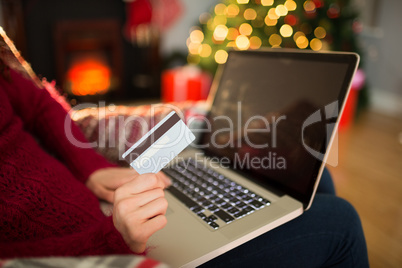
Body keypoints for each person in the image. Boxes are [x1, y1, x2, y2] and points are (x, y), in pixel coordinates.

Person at [0, 65, 369, 267]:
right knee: (339, 222)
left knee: (314, 181)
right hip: (105, 245)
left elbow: (36, 104)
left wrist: (92, 169)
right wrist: (111, 241)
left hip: (106, 207)